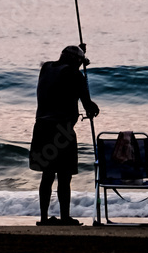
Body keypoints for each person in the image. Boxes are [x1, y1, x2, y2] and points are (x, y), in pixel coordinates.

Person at [29, 44, 99, 226]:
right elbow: (88, 105)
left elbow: (64, 67)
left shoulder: (46, 68)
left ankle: (44, 218)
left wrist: (80, 55)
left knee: (47, 175)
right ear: (75, 61)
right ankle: (65, 217)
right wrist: (94, 109)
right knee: (64, 175)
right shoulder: (76, 75)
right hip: (61, 131)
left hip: (41, 127)